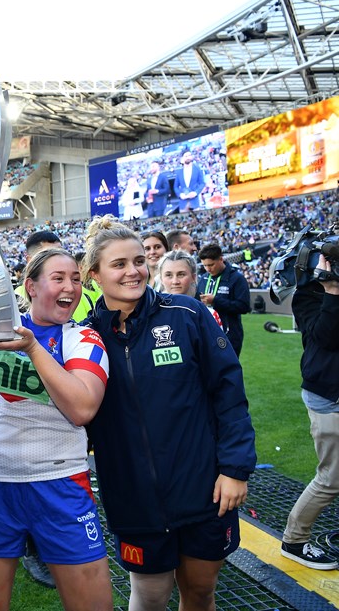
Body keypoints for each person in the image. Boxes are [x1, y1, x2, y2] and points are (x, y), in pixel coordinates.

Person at [82, 216, 256, 611]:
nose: (134, 272)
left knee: (199, 591)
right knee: (151, 595)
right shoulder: (85, 337)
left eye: (139, 261)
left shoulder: (187, 315)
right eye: (119, 264)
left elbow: (229, 393)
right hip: (134, 501)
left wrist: (234, 468)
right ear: (94, 274)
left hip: (204, 491)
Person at [0, 248, 113, 611]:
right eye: (58, 278)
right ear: (30, 286)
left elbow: (82, 408)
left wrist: (32, 346)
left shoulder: (81, 339)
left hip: (59, 483)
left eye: (76, 278)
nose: (71, 287)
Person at [280, 254, 339, 570]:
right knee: (332, 477)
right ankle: (295, 540)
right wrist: (332, 291)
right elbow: (324, 339)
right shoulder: (309, 293)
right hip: (328, 394)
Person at [197, 243, 251, 357]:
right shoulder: (204, 278)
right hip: (206, 333)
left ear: (221, 259)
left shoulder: (237, 278)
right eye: (205, 265)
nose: (208, 269)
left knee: (228, 371)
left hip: (229, 334)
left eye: (211, 265)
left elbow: (244, 306)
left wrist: (216, 301)